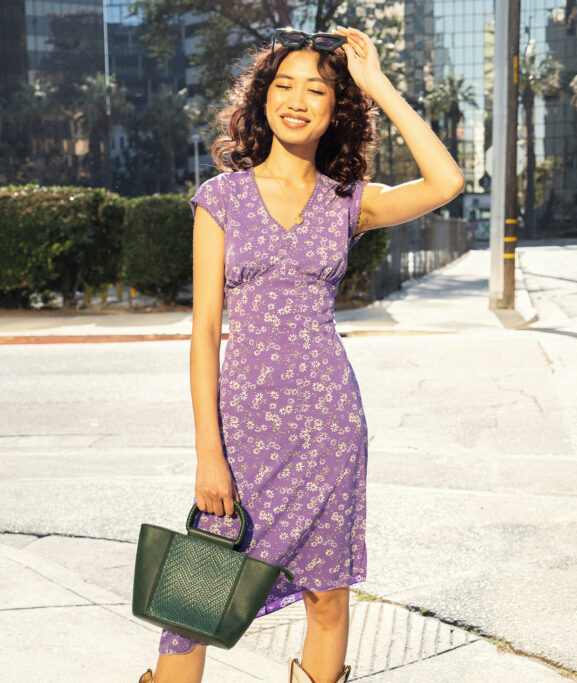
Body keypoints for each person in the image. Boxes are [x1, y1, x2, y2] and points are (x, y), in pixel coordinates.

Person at [138, 25, 463, 683]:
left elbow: (447, 180)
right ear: (263, 98)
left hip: (330, 428)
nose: (296, 99)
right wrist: (209, 452)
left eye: (316, 89)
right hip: (246, 431)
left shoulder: (348, 201)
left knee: (327, 592)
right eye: (284, 84)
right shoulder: (220, 199)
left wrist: (379, 86)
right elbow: (204, 333)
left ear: (335, 108)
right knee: (194, 599)